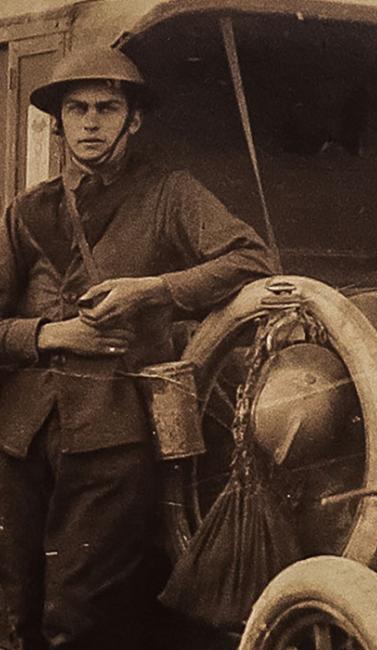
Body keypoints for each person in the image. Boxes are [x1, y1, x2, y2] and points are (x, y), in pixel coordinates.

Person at [0, 46, 276, 650]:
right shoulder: (28, 210)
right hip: (19, 438)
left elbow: (253, 259)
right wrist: (49, 335)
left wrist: (154, 291)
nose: (91, 122)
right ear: (59, 121)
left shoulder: (171, 195)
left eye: (107, 107)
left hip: (113, 437)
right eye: (77, 109)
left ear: (135, 119)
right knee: (13, 610)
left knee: (80, 615)